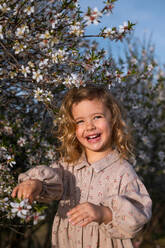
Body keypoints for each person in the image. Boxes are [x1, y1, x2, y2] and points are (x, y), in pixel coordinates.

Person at [12, 85, 152, 248]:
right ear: (72, 128)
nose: (90, 126)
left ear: (112, 119)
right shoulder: (68, 167)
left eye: (97, 117)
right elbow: (51, 181)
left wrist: (104, 213)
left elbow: (139, 212)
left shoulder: (122, 171)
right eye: (80, 121)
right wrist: (36, 183)